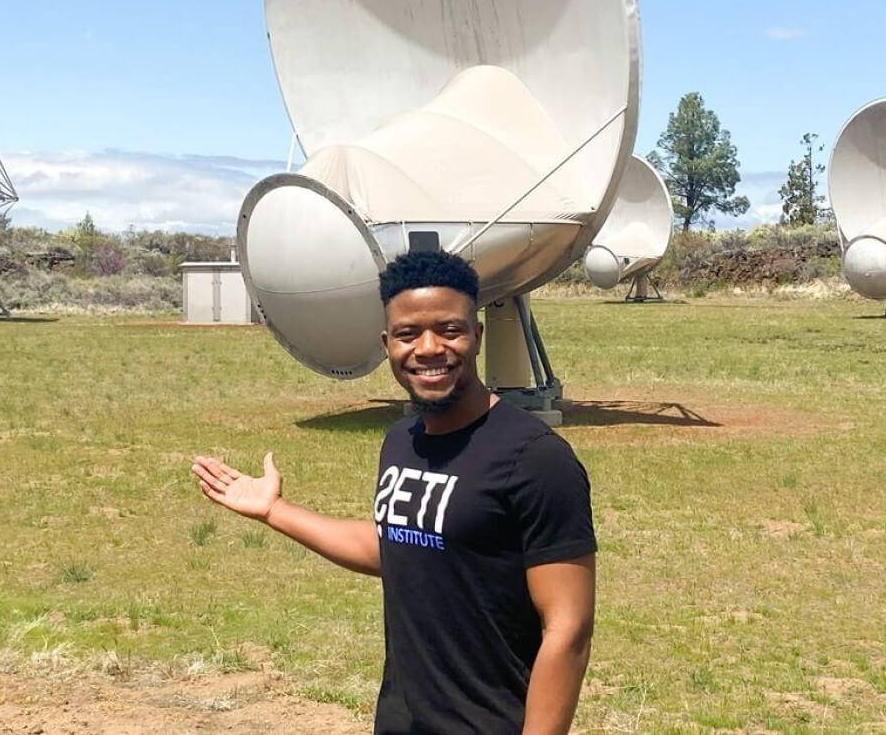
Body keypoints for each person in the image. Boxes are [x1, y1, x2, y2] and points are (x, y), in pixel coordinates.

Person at [191, 250, 596, 734]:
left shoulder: (535, 458)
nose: (428, 348)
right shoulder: (403, 440)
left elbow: (567, 629)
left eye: (449, 330)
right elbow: (399, 547)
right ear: (388, 344)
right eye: (408, 334)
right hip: (403, 720)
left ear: (477, 336)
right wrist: (275, 511)